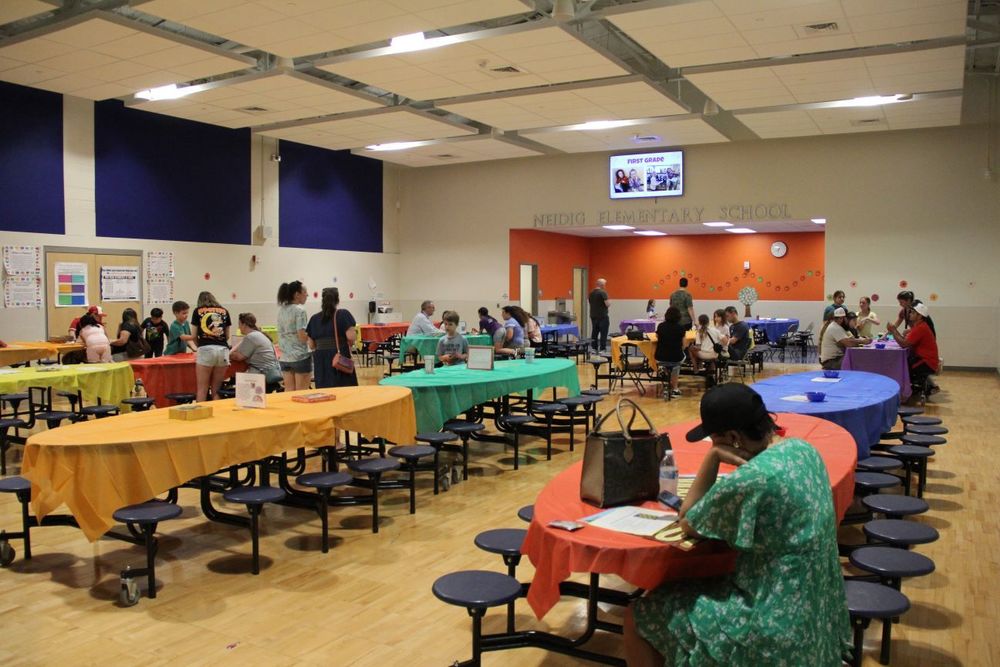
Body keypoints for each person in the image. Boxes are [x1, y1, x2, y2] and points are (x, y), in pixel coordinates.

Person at [624, 384, 851, 666]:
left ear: (732, 437)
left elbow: (687, 520)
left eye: (713, 440)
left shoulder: (752, 480)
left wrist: (712, 458)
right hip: (817, 611)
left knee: (637, 615)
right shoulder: (804, 450)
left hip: (773, 625)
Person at [307, 287, 357, 388]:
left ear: (322, 300)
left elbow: (311, 345)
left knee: (324, 389)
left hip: (321, 360)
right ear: (337, 299)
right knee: (344, 389)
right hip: (339, 356)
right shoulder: (343, 314)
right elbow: (351, 337)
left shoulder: (314, 318)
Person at [887, 302, 940, 388]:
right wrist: (894, 331)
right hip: (925, 359)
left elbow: (904, 344)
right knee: (903, 363)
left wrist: (893, 330)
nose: (910, 314)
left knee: (902, 367)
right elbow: (905, 341)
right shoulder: (919, 326)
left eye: (912, 312)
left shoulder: (920, 328)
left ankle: (904, 390)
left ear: (919, 316)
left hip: (927, 362)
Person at [191, 291, 232, 401]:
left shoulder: (197, 311)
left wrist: (198, 345)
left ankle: (201, 414)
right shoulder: (224, 311)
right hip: (223, 349)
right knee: (217, 389)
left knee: (202, 389)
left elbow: (193, 335)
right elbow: (227, 335)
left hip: (206, 348)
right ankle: (217, 415)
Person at [230, 312, 282, 389]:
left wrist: (229, 354)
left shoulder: (251, 337)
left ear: (244, 325)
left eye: (239, 324)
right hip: (271, 371)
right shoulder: (258, 334)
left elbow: (239, 357)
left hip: (261, 374)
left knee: (238, 382)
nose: (239, 327)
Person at [276, 280, 312, 391]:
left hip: (285, 357)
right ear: (297, 294)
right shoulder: (300, 311)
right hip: (300, 357)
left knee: (289, 392)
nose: (307, 295)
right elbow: (302, 336)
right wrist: (312, 336)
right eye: (305, 292)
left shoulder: (281, 310)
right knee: (301, 393)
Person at [654, 307, 686, 397]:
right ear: (679, 316)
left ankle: (664, 370)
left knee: (666, 362)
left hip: (660, 357)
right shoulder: (681, 328)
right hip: (676, 357)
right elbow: (684, 345)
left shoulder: (661, 326)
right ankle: (675, 388)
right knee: (677, 364)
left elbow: (657, 337)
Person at [589, 278, 610, 353]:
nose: (605, 286)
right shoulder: (603, 292)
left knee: (594, 332)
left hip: (593, 315)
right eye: (604, 284)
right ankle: (602, 349)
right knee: (603, 333)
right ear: (602, 285)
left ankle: (594, 348)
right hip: (603, 316)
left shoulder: (591, 293)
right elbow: (607, 304)